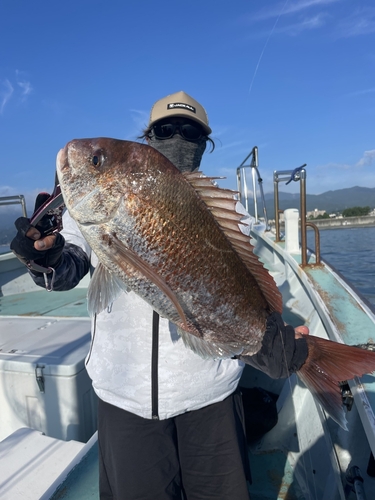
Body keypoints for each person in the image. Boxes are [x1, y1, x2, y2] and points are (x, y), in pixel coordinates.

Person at [11, 91, 309, 500]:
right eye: (166, 129)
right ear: (148, 137)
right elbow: (66, 270)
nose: (178, 138)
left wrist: (269, 340)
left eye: (191, 133)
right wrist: (42, 256)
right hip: (125, 401)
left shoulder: (232, 218)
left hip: (212, 396)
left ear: (204, 145)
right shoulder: (93, 213)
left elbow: (241, 296)